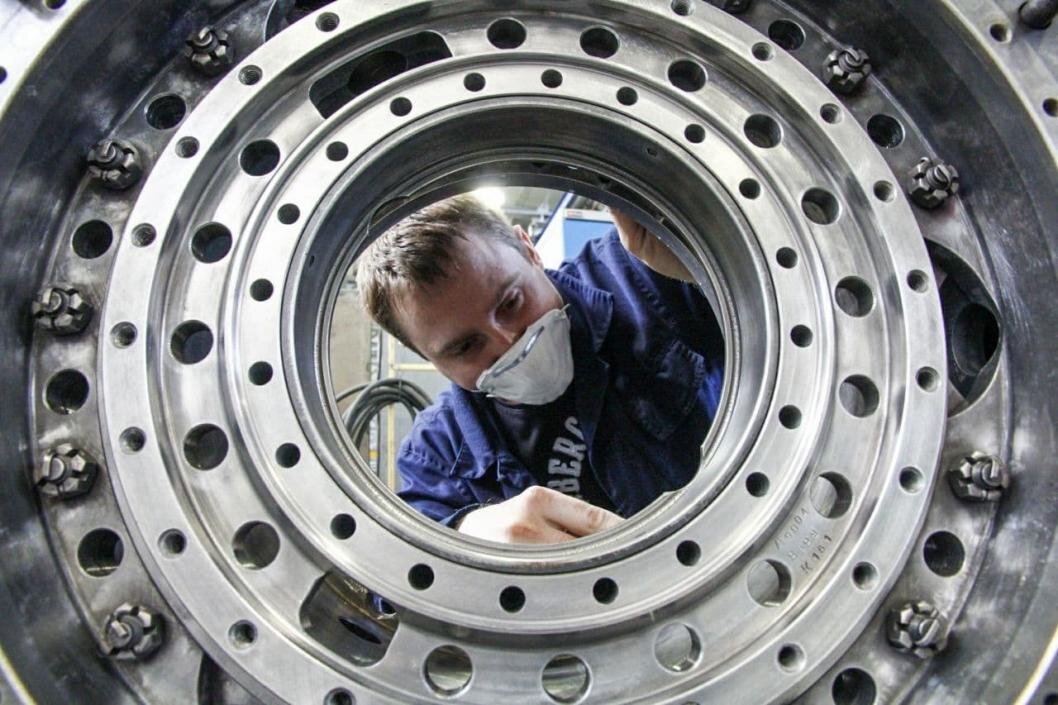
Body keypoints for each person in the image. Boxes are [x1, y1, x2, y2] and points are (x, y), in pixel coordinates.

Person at [355, 194, 724, 544]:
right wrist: (461, 536)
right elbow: (400, 564)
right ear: (425, 356)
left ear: (529, 250)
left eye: (511, 302)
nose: (509, 343)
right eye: (465, 346)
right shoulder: (434, 455)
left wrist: (712, 270)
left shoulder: (643, 274)